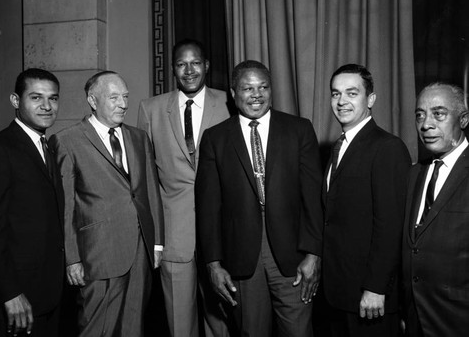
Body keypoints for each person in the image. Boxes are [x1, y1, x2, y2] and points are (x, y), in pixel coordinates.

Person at [195, 60, 323, 337]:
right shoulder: (215, 139)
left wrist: (313, 255)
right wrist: (213, 264)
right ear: (233, 92)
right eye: (248, 88)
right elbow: (208, 208)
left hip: (293, 257)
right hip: (242, 258)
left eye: (263, 87)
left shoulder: (299, 130)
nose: (256, 94)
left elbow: (313, 199)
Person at [50, 71, 164, 336]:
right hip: (98, 254)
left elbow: (150, 193)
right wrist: (72, 259)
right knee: (96, 328)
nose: (123, 104)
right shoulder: (67, 140)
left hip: (140, 251)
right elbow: (66, 206)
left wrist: (157, 242)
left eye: (125, 97)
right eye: (114, 98)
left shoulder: (139, 138)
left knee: (133, 327)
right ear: (92, 100)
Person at [137, 39, 232, 337]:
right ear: (173, 69)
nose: (188, 70)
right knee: (179, 326)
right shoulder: (150, 109)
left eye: (195, 63)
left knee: (223, 324)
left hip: (222, 235)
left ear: (206, 66)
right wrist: (155, 239)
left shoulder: (230, 102)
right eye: (181, 64)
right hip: (174, 237)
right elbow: (144, 181)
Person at [0, 68, 64, 336]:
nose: (47, 106)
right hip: (15, 302)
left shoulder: (47, 148)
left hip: (46, 296)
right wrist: (9, 293)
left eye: (53, 98)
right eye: (36, 98)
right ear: (15, 101)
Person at [322, 64, 411, 336]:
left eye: (351, 93)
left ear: (370, 99)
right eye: (336, 94)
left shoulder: (387, 147)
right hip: (339, 292)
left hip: (369, 296)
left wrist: (375, 287)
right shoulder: (340, 146)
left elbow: (391, 225)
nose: (342, 101)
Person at [402, 82, 469, 337]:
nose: (426, 124)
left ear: (463, 119)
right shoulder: (415, 174)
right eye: (420, 114)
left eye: (438, 114)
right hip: (416, 318)